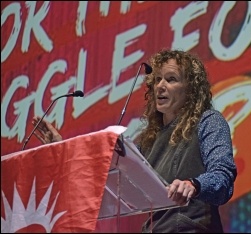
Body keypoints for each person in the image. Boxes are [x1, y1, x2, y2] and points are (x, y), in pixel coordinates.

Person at [32, 48, 237, 233]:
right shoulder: (149, 140)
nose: (160, 86)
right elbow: (104, 177)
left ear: (191, 90)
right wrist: (63, 151)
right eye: (156, 80)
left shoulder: (208, 121)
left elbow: (223, 177)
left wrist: (194, 185)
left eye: (171, 79)